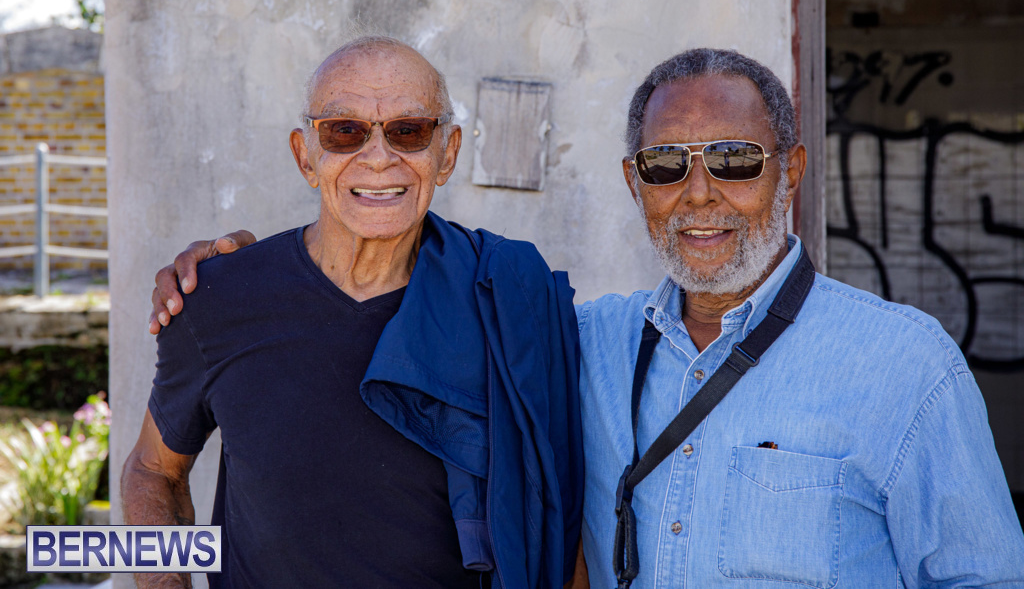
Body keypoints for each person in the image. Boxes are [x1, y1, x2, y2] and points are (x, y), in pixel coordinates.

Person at [150, 48, 1024, 588]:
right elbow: (156, 481)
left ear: (790, 170)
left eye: (733, 159)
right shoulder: (584, 342)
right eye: (665, 165)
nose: (700, 193)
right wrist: (226, 273)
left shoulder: (903, 364)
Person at [123, 37, 584, 589]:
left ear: (449, 153)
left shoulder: (508, 300)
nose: (379, 156)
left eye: (408, 131)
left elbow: (559, 512)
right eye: (344, 131)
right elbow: (152, 470)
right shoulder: (217, 298)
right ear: (305, 156)